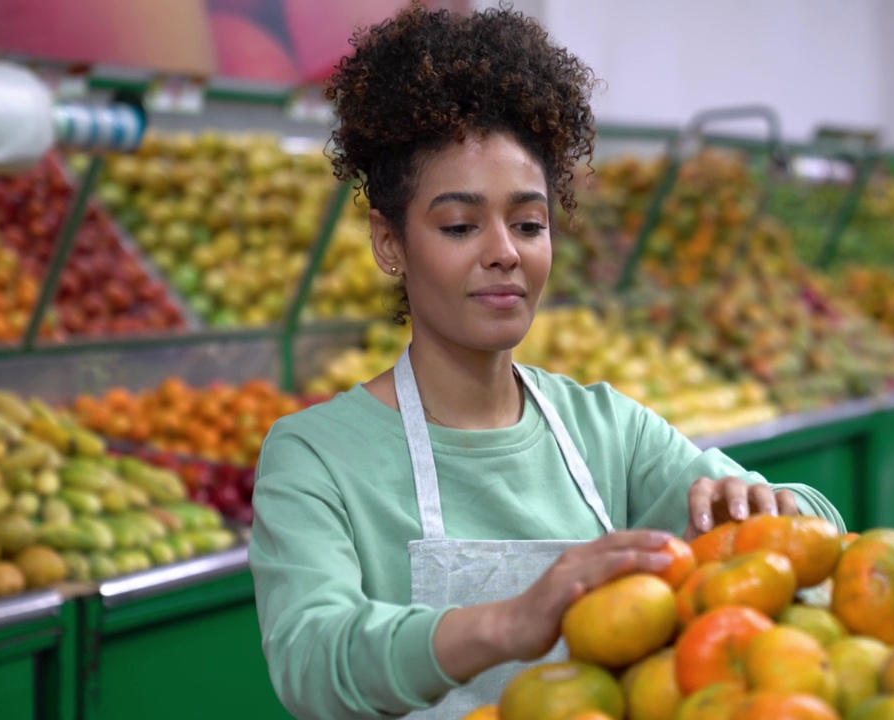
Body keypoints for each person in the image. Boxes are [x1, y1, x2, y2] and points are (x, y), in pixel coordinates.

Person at [248, 5, 845, 719]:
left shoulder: (607, 431)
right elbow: (315, 660)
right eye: (460, 224)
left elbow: (822, 530)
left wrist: (770, 509)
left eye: (529, 223)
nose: (505, 251)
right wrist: (506, 622)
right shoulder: (314, 457)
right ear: (390, 242)